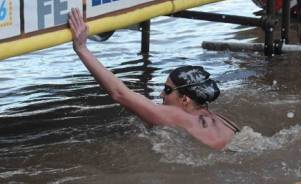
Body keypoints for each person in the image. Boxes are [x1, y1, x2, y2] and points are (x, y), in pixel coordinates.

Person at [68, 8, 240, 150]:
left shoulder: (177, 116)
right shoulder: (225, 122)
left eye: (167, 90)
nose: (161, 95)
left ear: (185, 99)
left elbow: (119, 94)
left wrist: (81, 48)